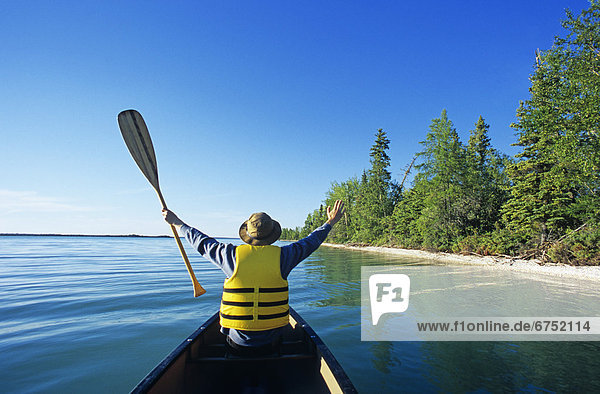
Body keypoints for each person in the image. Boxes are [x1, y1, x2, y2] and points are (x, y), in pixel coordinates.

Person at [162, 199, 345, 355]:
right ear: (272, 234)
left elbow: (201, 241)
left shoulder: (229, 255)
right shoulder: (285, 257)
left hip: (236, 345)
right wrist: (329, 223)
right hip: (272, 343)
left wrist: (178, 223)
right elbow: (310, 241)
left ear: (247, 233)